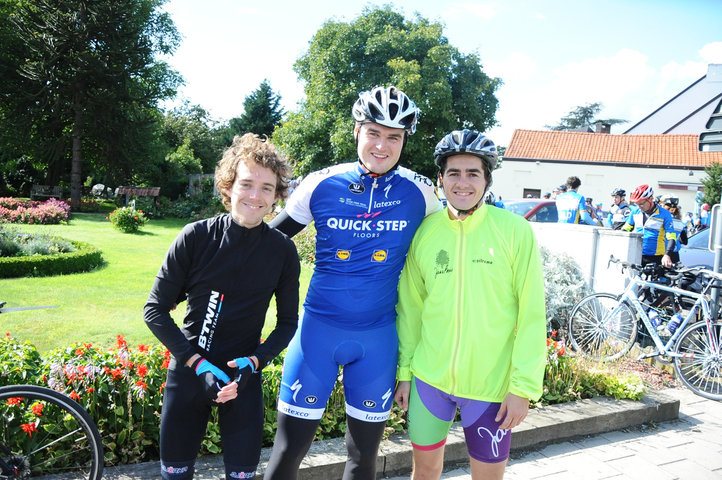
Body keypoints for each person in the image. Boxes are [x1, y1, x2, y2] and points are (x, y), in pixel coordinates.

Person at [264, 86, 443, 480]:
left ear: (403, 141)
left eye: (394, 137)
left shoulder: (423, 192)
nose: (382, 145)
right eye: (374, 133)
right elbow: (266, 244)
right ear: (357, 132)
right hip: (317, 333)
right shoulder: (321, 183)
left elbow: (454, 246)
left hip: (378, 338)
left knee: (363, 459)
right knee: (288, 451)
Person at [144, 133, 301, 480]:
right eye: (246, 184)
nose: (255, 196)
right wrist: (198, 364)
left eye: (266, 188)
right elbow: (154, 310)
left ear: (277, 196)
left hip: (243, 377)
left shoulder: (282, 251)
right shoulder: (196, 237)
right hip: (188, 374)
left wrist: (255, 362)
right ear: (228, 186)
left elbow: (288, 322)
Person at [394, 129, 546, 480]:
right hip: (429, 381)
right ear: (440, 180)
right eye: (454, 173)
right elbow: (411, 310)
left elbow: (532, 315)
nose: (463, 183)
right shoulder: (425, 231)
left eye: (473, 173)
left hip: (490, 387)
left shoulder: (514, 231)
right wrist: (405, 374)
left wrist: (522, 388)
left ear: (487, 179)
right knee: (425, 472)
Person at [622, 184, 677, 268]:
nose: (639, 207)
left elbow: (671, 237)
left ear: (650, 199)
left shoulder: (664, 214)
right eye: (637, 204)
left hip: (655, 257)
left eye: (641, 204)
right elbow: (626, 229)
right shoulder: (635, 212)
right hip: (636, 254)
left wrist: (667, 255)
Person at [659, 195, 688, 264]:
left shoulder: (661, 220)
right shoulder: (680, 222)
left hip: (662, 254)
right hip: (675, 255)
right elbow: (685, 241)